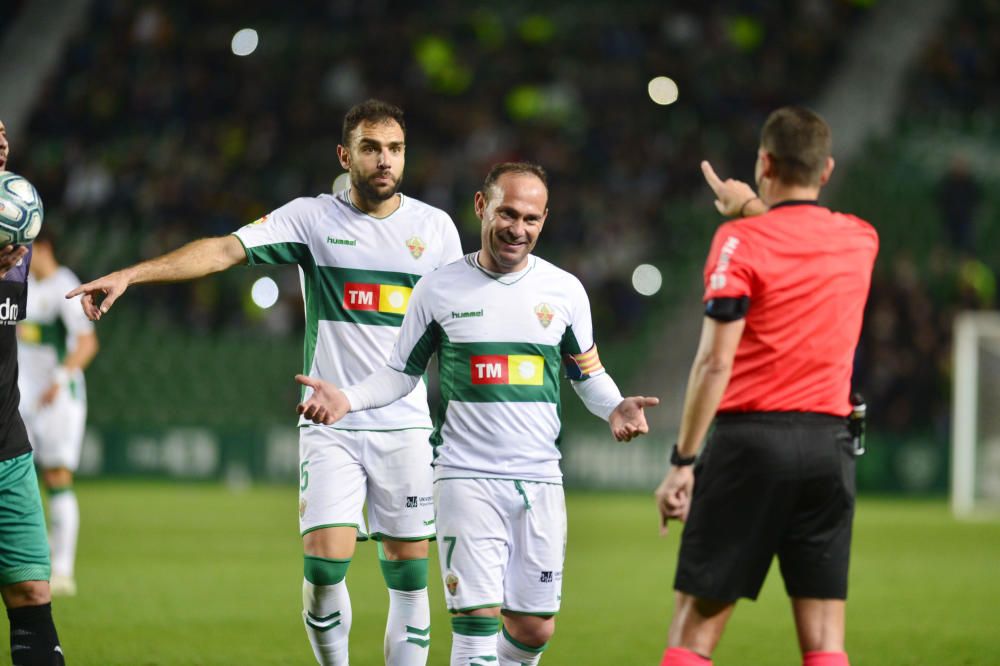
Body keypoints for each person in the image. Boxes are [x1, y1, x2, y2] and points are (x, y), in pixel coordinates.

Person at [67, 100, 463, 666]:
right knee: (325, 569)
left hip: (404, 423)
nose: (385, 161)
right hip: (330, 423)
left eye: (395, 149)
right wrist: (134, 273)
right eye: (372, 148)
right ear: (344, 155)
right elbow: (225, 250)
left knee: (408, 576)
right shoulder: (313, 218)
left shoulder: (435, 229)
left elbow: (457, 322)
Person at [294, 162, 660, 666]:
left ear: (545, 219)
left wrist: (615, 405)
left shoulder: (565, 292)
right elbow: (400, 374)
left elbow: (587, 372)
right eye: (508, 213)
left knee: (533, 629)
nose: (518, 228)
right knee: (475, 624)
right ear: (482, 207)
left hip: (539, 481)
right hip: (465, 477)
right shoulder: (440, 289)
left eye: (531, 218)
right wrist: (349, 398)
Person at [653, 107, 879, 666]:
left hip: (749, 445)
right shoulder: (860, 240)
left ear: (764, 162)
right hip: (831, 448)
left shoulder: (739, 242)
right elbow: (799, 235)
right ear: (826, 170)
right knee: (826, 639)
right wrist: (754, 208)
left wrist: (683, 460)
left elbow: (713, 363)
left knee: (693, 631)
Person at [0, 117, 67, 664]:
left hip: (7, 448)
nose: (1, 141)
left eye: (0, 133)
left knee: (32, 593)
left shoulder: (14, 241)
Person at [17, 226, 99, 597]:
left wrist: (60, 377)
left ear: (44, 247)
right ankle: (25, 559)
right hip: (21, 397)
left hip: (58, 399)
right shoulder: (22, 284)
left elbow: (87, 343)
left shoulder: (66, 285)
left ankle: (63, 568)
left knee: (57, 476)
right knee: (16, 476)